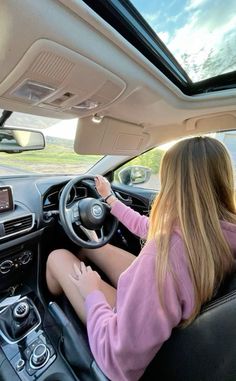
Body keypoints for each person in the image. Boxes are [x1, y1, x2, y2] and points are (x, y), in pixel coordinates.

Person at [46, 136, 236, 381]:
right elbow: (147, 226)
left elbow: (118, 360)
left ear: (173, 184)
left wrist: (91, 293)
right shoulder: (213, 230)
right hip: (169, 307)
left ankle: (48, 304)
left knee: (57, 257)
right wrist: (110, 200)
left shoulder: (165, 255)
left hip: (133, 332)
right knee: (93, 247)